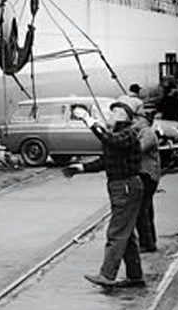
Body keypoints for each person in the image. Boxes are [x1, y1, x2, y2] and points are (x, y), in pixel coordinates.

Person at [63, 101, 145, 290]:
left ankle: (107, 275)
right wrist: (82, 168)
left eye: (114, 112)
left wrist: (88, 119)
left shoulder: (128, 134)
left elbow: (110, 141)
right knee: (126, 234)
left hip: (126, 186)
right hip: (122, 186)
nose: (109, 114)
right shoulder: (117, 135)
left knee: (116, 232)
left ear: (123, 115)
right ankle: (135, 277)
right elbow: (106, 161)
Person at [123, 95, 161, 253]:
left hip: (148, 175)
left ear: (144, 120)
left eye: (136, 120)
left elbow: (138, 149)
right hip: (145, 174)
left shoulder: (147, 134)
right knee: (146, 209)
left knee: (141, 211)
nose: (133, 123)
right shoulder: (141, 132)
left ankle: (147, 243)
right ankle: (150, 240)